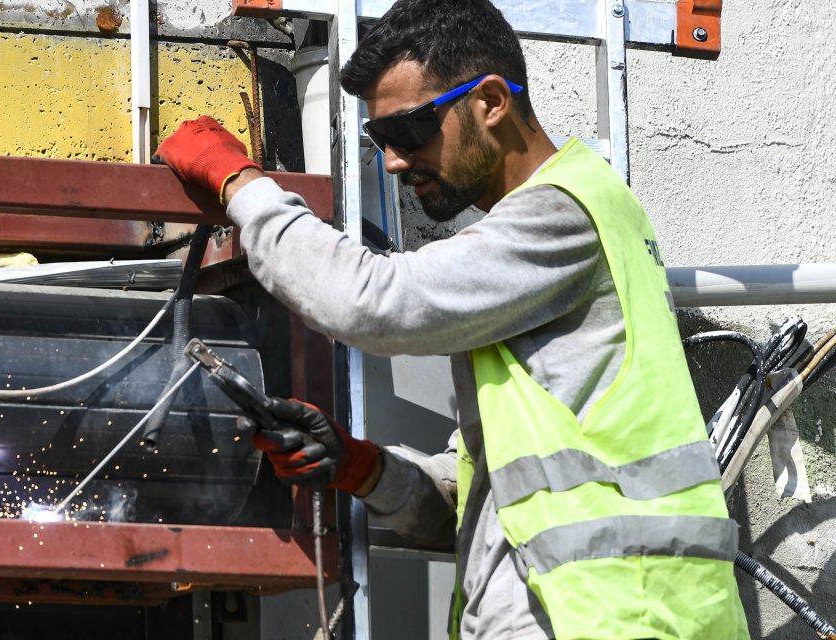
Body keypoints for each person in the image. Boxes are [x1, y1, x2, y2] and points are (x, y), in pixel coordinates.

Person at [154, 0, 748, 638]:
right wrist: (362, 468)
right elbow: (488, 507)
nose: (393, 163)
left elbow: (372, 300)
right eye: (378, 141)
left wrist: (243, 187)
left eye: (409, 132)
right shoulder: (531, 270)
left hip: (615, 620)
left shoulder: (565, 213)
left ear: (491, 101)